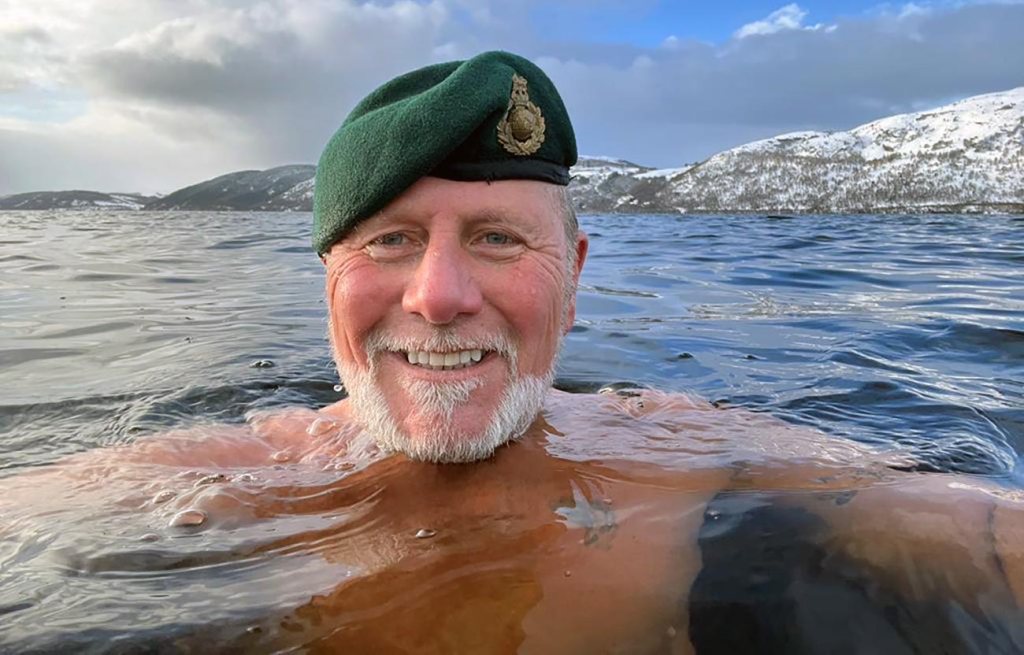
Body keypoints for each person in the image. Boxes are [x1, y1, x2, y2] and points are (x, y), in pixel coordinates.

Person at [2, 51, 1023, 653]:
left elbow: (968, 534)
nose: (440, 295)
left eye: (496, 237)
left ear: (573, 274)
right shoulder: (217, 477)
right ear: (330, 282)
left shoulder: (688, 444)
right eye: (391, 239)